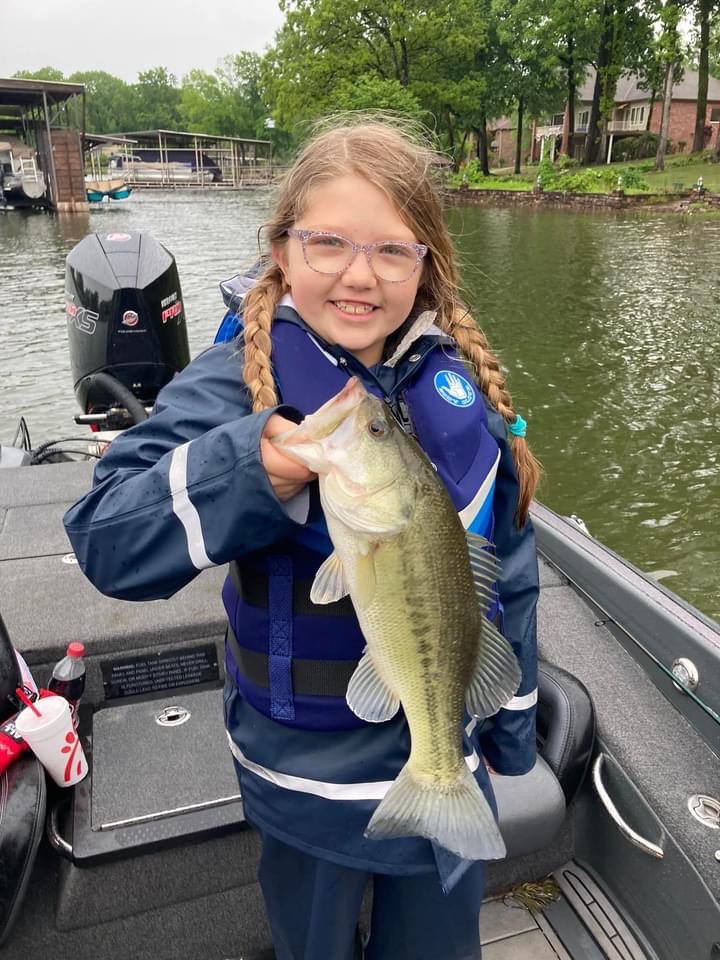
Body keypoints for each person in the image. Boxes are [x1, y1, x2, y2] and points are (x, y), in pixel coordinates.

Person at [64, 117, 541, 960]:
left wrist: (507, 732)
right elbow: (104, 537)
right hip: (306, 781)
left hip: (448, 765)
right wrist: (256, 471)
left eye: (393, 251)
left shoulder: (458, 390)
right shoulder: (230, 384)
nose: (360, 276)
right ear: (282, 249)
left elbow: (511, 578)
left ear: (427, 268)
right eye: (328, 244)